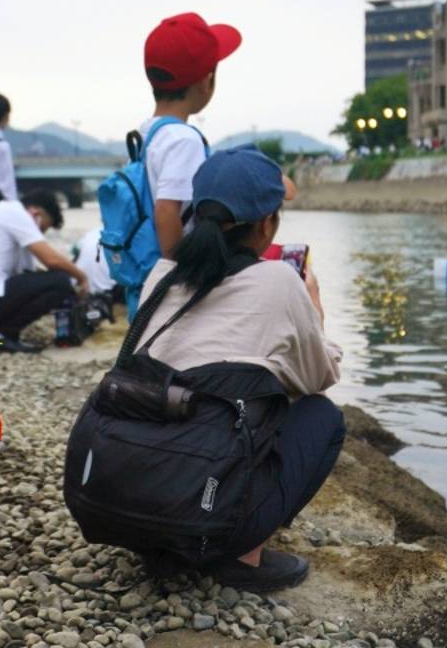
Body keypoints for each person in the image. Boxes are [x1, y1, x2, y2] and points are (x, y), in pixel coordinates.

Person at [131, 146, 344, 591]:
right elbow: (318, 377)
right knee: (322, 415)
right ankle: (241, 556)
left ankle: (165, 547)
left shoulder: (160, 275)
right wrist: (315, 312)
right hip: (205, 507)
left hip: (132, 502)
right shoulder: (280, 282)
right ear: (267, 224)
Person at [141, 13, 239, 261]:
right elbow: (165, 211)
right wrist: (176, 278)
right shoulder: (184, 140)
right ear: (207, 81)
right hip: (168, 276)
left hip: (145, 264)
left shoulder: (147, 132)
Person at [0, 190, 89, 353]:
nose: (39, 233)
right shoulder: (14, 212)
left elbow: (29, 272)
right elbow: (51, 260)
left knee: (52, 280)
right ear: (36, 213)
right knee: (60, 282)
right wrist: (82, 277)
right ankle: (2, 333)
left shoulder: (1, 212)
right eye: (42, 228)